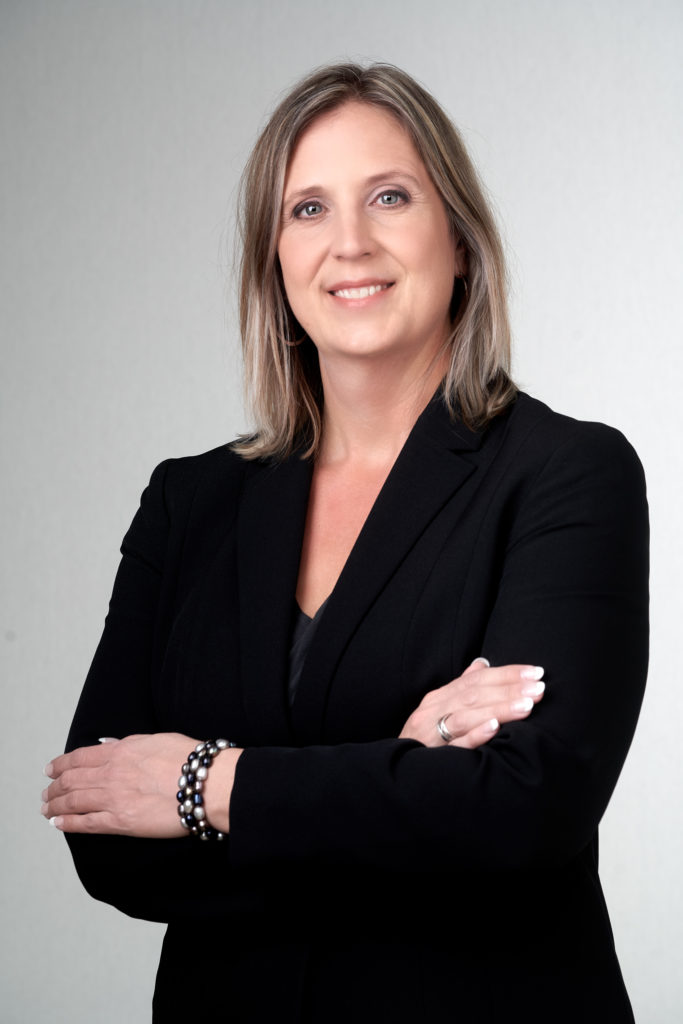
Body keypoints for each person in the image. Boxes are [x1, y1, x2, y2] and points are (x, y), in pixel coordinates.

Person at [42, 63, 648, 1023]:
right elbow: (103, 830)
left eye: (390, 197)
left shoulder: (568, 474)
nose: (350, 243)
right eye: (308, 209)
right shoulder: (188, 501)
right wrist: (401, 773)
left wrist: (208, 783)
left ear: (458, 238)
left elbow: (525, 810)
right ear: (273, 259)